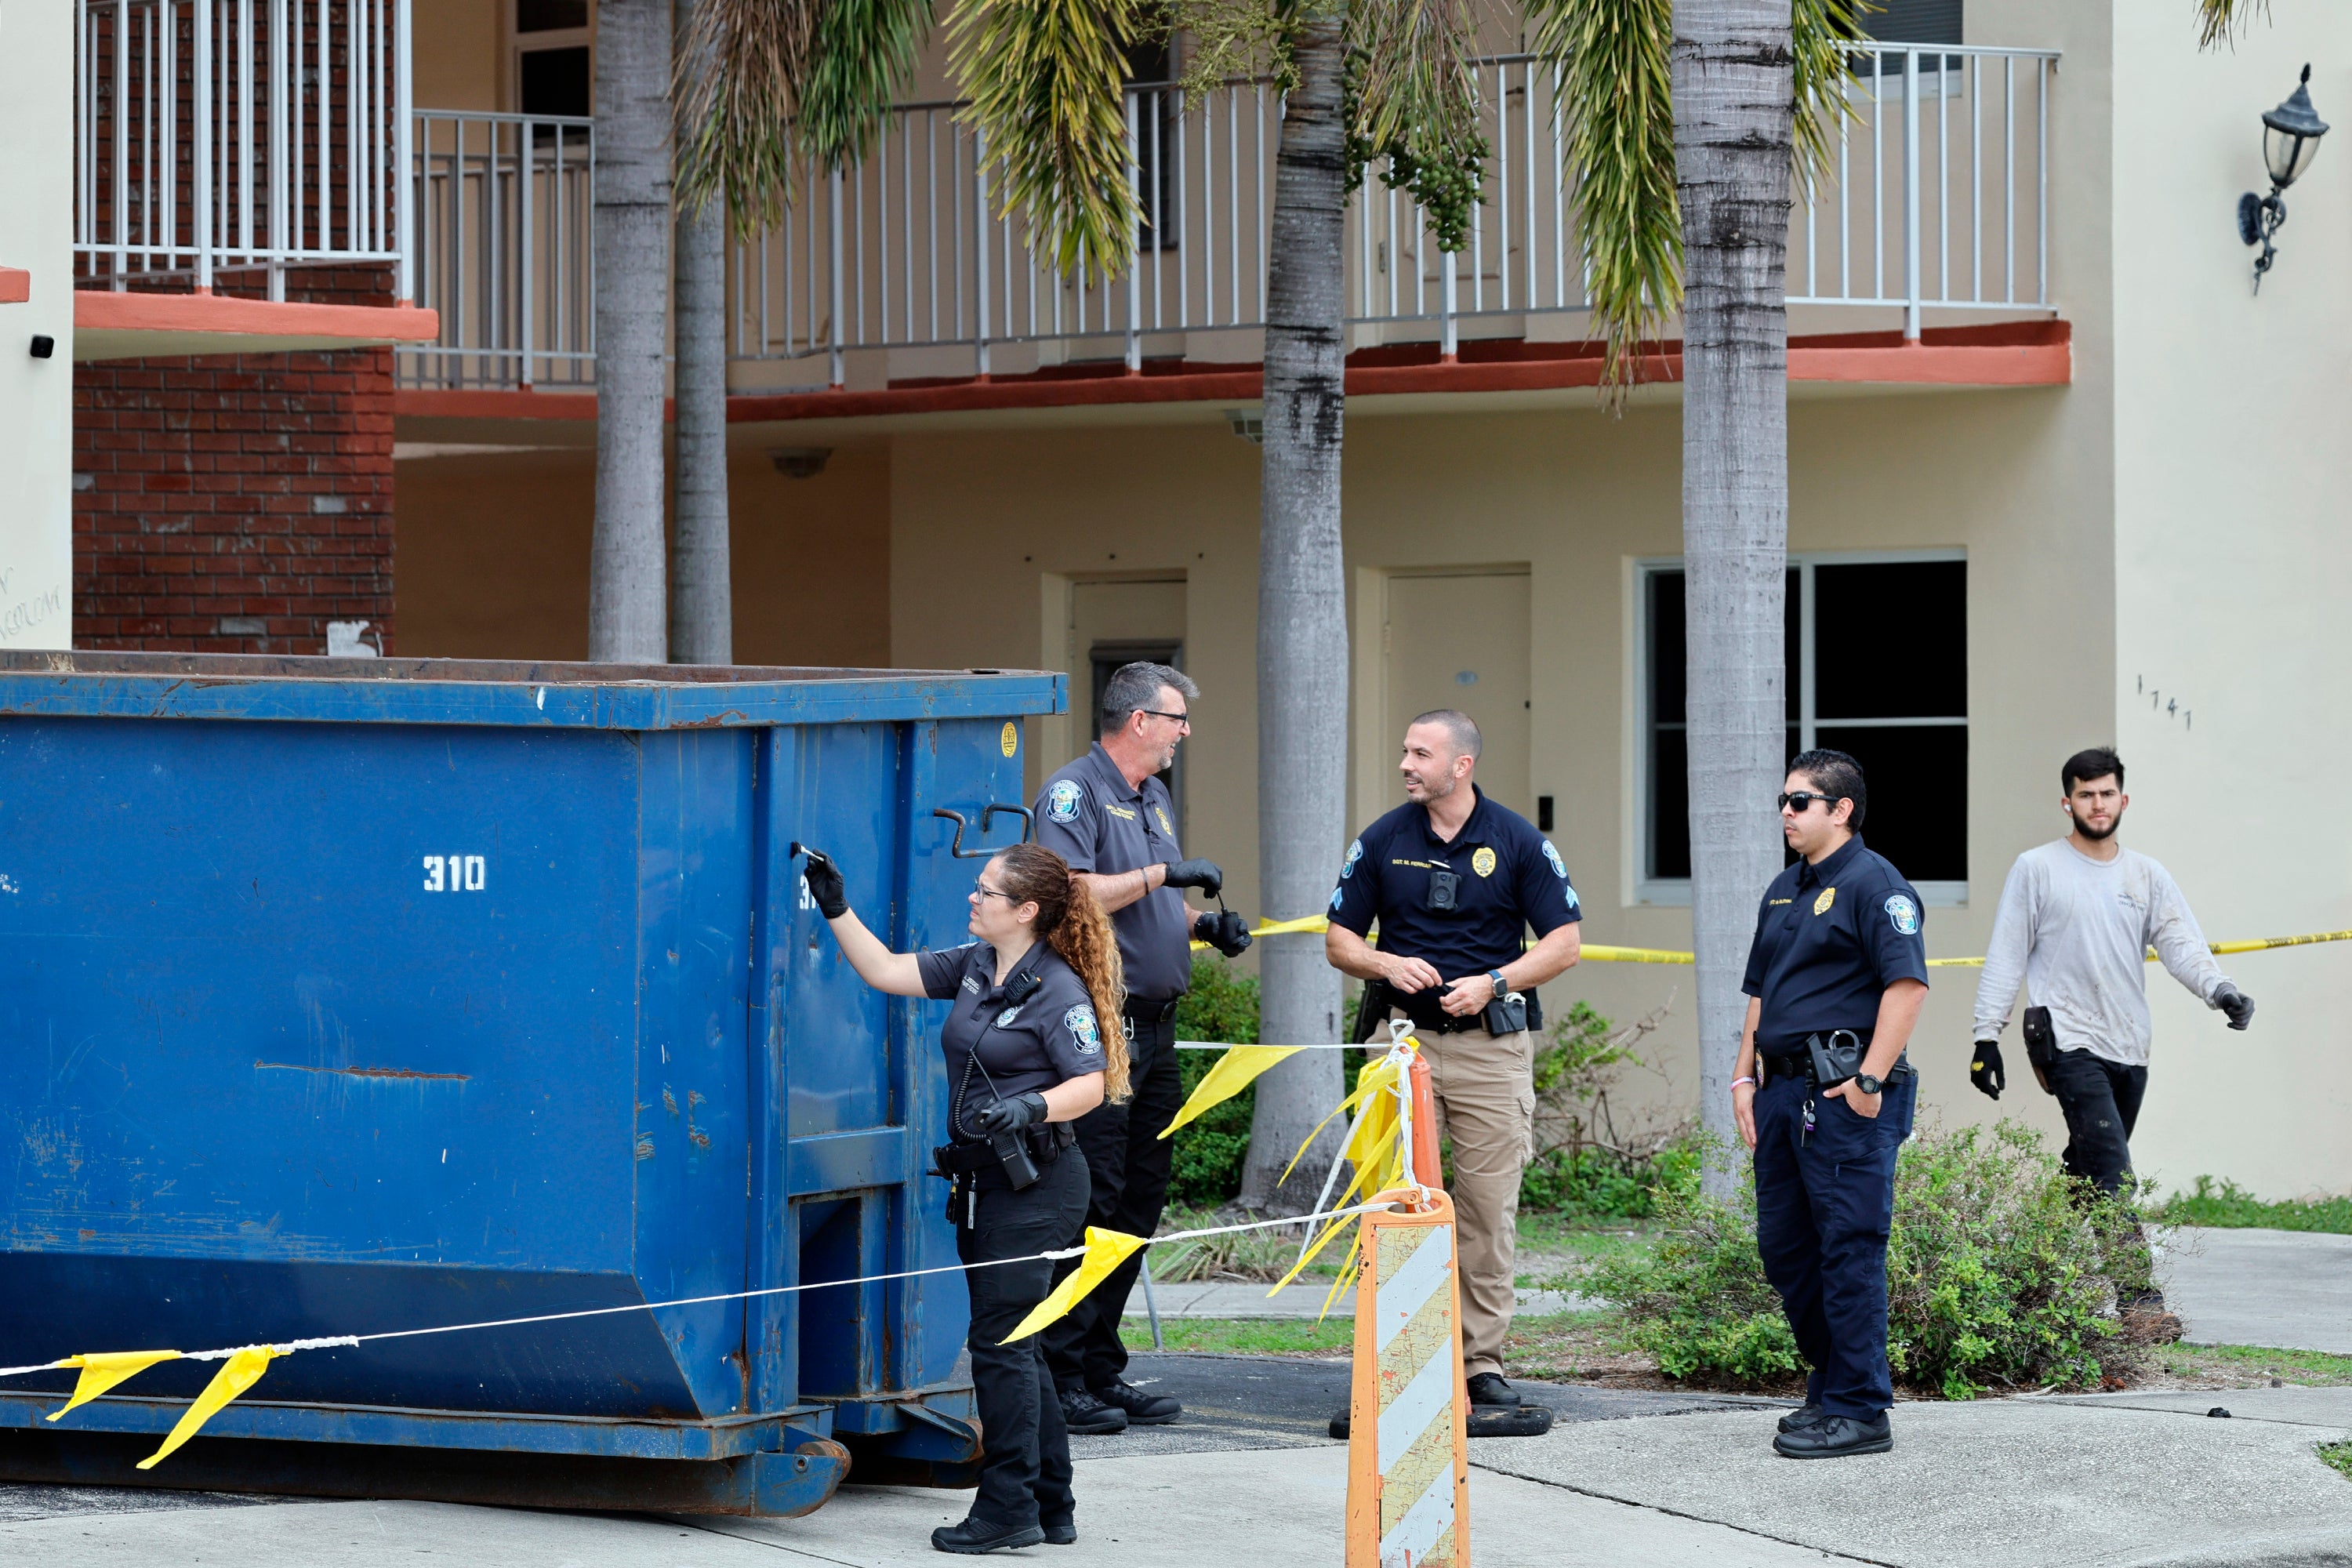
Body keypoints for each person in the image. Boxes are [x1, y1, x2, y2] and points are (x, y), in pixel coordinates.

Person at [799, 840, 1128, 1555]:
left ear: (1027, 910)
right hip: (985, 1183)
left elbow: (1092, 1082)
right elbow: (887, 971)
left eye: (986, 891)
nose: (973, 898)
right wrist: (836, 906)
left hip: (1038, 1183)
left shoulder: (1059, 988)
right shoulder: (980, 965)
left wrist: (1033, 1107)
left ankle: (1008, 1506)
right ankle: (1050, 1501)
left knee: (1000, 1345)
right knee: (1017, 1341)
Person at [1324, 710, 1581, 1410]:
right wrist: (1384, 961)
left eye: (1421, 753)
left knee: (1488, 1211)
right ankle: (1400, 1356)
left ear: (1460, 765)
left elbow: (1564, 943)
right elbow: (1338, 940)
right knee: (1396, 1203)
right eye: (1405, 751)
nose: (1406, 764)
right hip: (1403, 1044)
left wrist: (1496, 981)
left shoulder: (1517, 841)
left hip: (1492, 1050)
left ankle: (1479, 1366)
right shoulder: (1381, 839)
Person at [1033, 661, 1251, 1435]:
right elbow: (1064, 891)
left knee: (1139, 1201)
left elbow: (1141, 910)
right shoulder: (1076, 791)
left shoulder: (1150, 794)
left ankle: (1098, 1363)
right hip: (1102, 1022)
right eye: (1177, 718)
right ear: (1137, 721)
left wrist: (1200, 927)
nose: (1184, 731)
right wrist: (1165, 871)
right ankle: (1057, 1374)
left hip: (1155, 1024)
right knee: (1092, 1196)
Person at [1969, 747, 2253, 1327]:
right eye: (2085, 793)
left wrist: (2221, 991)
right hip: (2067, 1041)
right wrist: (1985, 1037)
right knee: (2113, 1169)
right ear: (2067, 801)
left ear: (2123, 799)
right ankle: (2140, 1304)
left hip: (2130, 1045)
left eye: (2106, 793)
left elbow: (2181, 945)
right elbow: (2005, 954)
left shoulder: (2144, 874)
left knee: (2090, 1169)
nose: (2097, 804)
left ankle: (2028, 1265)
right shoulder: (2038, 867)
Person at [1730, 750, 1926, 1460]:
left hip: (1843, 1093)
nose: (1786, 811)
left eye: (1800, 801)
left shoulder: (1877, 885)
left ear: (1840, 810)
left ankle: (1861, 1408)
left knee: (1849, 1248)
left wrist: (1870, 1082)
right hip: (1781, 1089)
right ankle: (1832, 1387)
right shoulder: (1785, 888)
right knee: (1786, 1249)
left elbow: (1907, 987)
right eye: (1784, 800)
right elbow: (1762, 991)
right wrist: (1742, 1076)